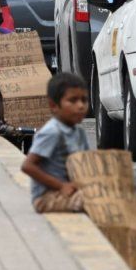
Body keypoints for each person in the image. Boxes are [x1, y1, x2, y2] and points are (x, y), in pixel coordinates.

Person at [21, 72, 91, 213]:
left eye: (84, 100)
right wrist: (61, 186)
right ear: (54, 105)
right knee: (91, 202)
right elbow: (28, 166)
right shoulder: (52, 132)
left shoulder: (79, 132)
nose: (81, 106)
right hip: (48, 196)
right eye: (73, 100)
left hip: (72, 191)